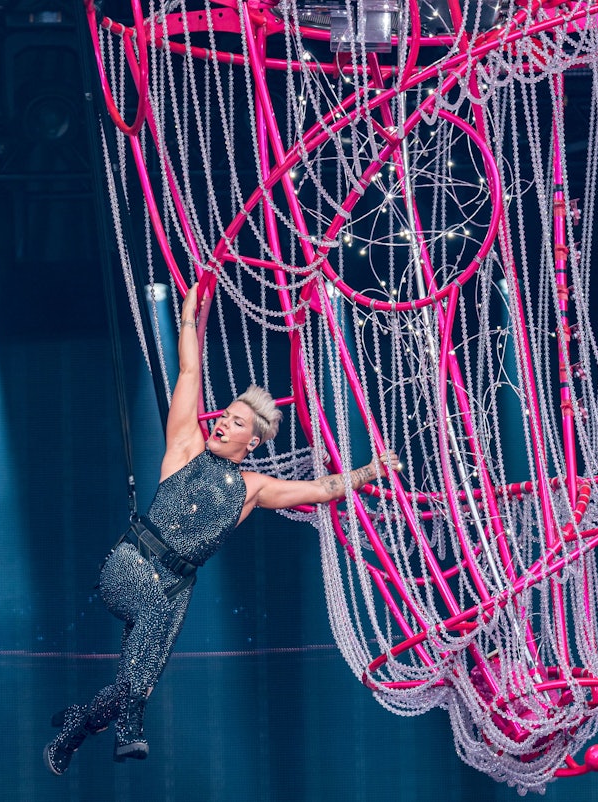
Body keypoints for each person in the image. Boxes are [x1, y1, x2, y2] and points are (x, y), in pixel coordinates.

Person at [44, 282, 399, 775]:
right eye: (225, 416)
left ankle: (77, 727)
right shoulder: (185, 444)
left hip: (174, 589)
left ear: (252, 441)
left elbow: (320, 490)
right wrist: (189, 317)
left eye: (235, 423)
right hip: (131, 564)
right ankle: (128, 727)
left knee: (138, 682)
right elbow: (190, 369)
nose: (223, 424)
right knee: (140, 666)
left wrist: (369, 472)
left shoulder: (252, 488)